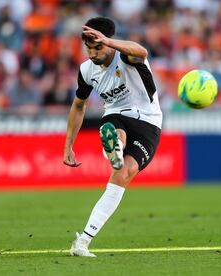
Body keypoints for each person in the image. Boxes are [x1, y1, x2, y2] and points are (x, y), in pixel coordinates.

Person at [63, 17, 162, 257]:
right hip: (116, 115)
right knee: (114, 126)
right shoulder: (87, 70)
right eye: (89, 48)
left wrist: (109, 42)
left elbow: (142, 51)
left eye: (98, 47)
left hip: (148, 121)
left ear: (109, 42)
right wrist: (68, 145)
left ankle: (115, 151)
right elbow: (79, 106)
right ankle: (82, 243)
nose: (93, 54)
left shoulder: (126, 56)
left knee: (123, 175)